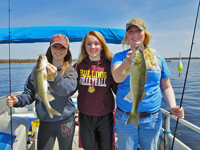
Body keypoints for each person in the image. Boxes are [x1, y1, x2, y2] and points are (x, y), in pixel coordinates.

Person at [111, 18, 184, 150]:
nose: (135, 34)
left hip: (152, 118)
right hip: (125, 116)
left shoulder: (158, 57)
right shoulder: (119, 57)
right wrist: (127, 63)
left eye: (139, 30)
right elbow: (116, 78)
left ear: (145, 34)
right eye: (130, 31)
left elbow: (166, 86)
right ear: (127, 36)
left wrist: (172, 106)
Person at [7, 33, 78, 150]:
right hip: (45, 121)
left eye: (62, 47)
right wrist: (18, 100)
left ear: (67, 51)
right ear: (50, 48)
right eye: (55, 46)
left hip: (66, 121)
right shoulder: (37, 69)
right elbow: (30, 93)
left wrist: (56, 76)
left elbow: (67, 90)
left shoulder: (70, 71)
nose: (58, 50)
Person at [74, 31, 118, 150]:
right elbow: (70, 89)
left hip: (105, 115)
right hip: (85, 115)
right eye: (89, 44)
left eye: (96, 43)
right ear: (85, 46)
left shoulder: (110, 65)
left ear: (102, 46)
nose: (92, 47)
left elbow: (118, 90)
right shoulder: (78, 65)